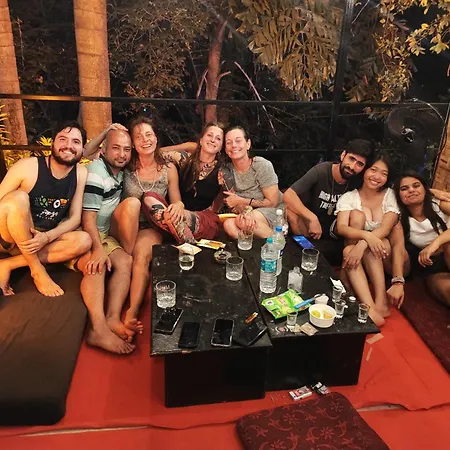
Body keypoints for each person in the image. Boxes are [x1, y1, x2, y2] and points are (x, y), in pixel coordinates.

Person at [0, 121, 91, 296]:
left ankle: (8, 264)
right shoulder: (27, 167)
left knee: (84, 240)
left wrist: (47, 237)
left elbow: (75, 218)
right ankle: (37, 270)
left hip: (40, 240)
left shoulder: (80, 173)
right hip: (9, 237)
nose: (68, 146)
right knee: (18, 198)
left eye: (76, 142)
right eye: (63, 139)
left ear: (82, 149)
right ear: (53, 143)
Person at [76, 128, 138, 354]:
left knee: (126, 261)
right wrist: (98, 250)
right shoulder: (96, 173)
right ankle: (98, 329)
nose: (122, 154)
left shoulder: (117, 171)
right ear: (104, 150)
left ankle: (113, 317)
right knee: (97, 265)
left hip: (104, 233)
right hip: (84, 233)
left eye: (126, 149)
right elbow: (87, 219)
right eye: (116, 148)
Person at [335, 152, 400, 326]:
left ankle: (381, 300)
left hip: (384, 253)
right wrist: (365, 235)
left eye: (384, 173)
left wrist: (365, 242)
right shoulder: (349, 197)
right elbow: (342, 228)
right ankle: (370, 308)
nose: (377, 177)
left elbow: (386, 228)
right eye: (373, 170)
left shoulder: (390, 195)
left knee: (375, 244)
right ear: (364, 171)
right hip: (354, 253)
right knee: (350, 248)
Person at [283, 140, 373, 249]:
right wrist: (312, 218)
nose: (352, 167)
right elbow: (288, 195)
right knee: (290, 211)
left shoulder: (358, 180)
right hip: (310, 224)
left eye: (360, 164)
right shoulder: (322, 171)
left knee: (356, 215)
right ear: (343, 155)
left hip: (337, 226)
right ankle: (305, 249)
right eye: (351, 159)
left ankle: (349, 253)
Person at [388, 171, 450, 309]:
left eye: (416, 186)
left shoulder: (438, 204)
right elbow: (398, 247)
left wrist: (436, 243)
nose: (411, 190)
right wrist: (397, 282)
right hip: (434, 268)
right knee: (445, 289)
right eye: (404, 189)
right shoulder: (400, 218)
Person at [159, 122, 227, 240]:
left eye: (218, 138)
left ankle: (187, 240)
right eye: (209, 135)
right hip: (174, 212)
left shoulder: (222, 172)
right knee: (150, 198)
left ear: (221, 147)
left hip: (199, 220)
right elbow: (155, 154)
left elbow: (224, 198)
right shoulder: (184, 159)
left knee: (175, 216)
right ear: (201, 140)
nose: (212, 140)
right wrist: (186, 146)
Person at [222, 126, 282, 238]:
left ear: (248, 144)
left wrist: (240, 200)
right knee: (228, 224)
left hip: (273, 211)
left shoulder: (261, 165)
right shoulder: (227, 170)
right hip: (246, 213)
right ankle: (249, 247)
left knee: (242, 221)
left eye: (238, 141)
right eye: (229, 142)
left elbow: (272, 202)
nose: (233, 145)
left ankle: (278, 243)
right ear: (225, 149)